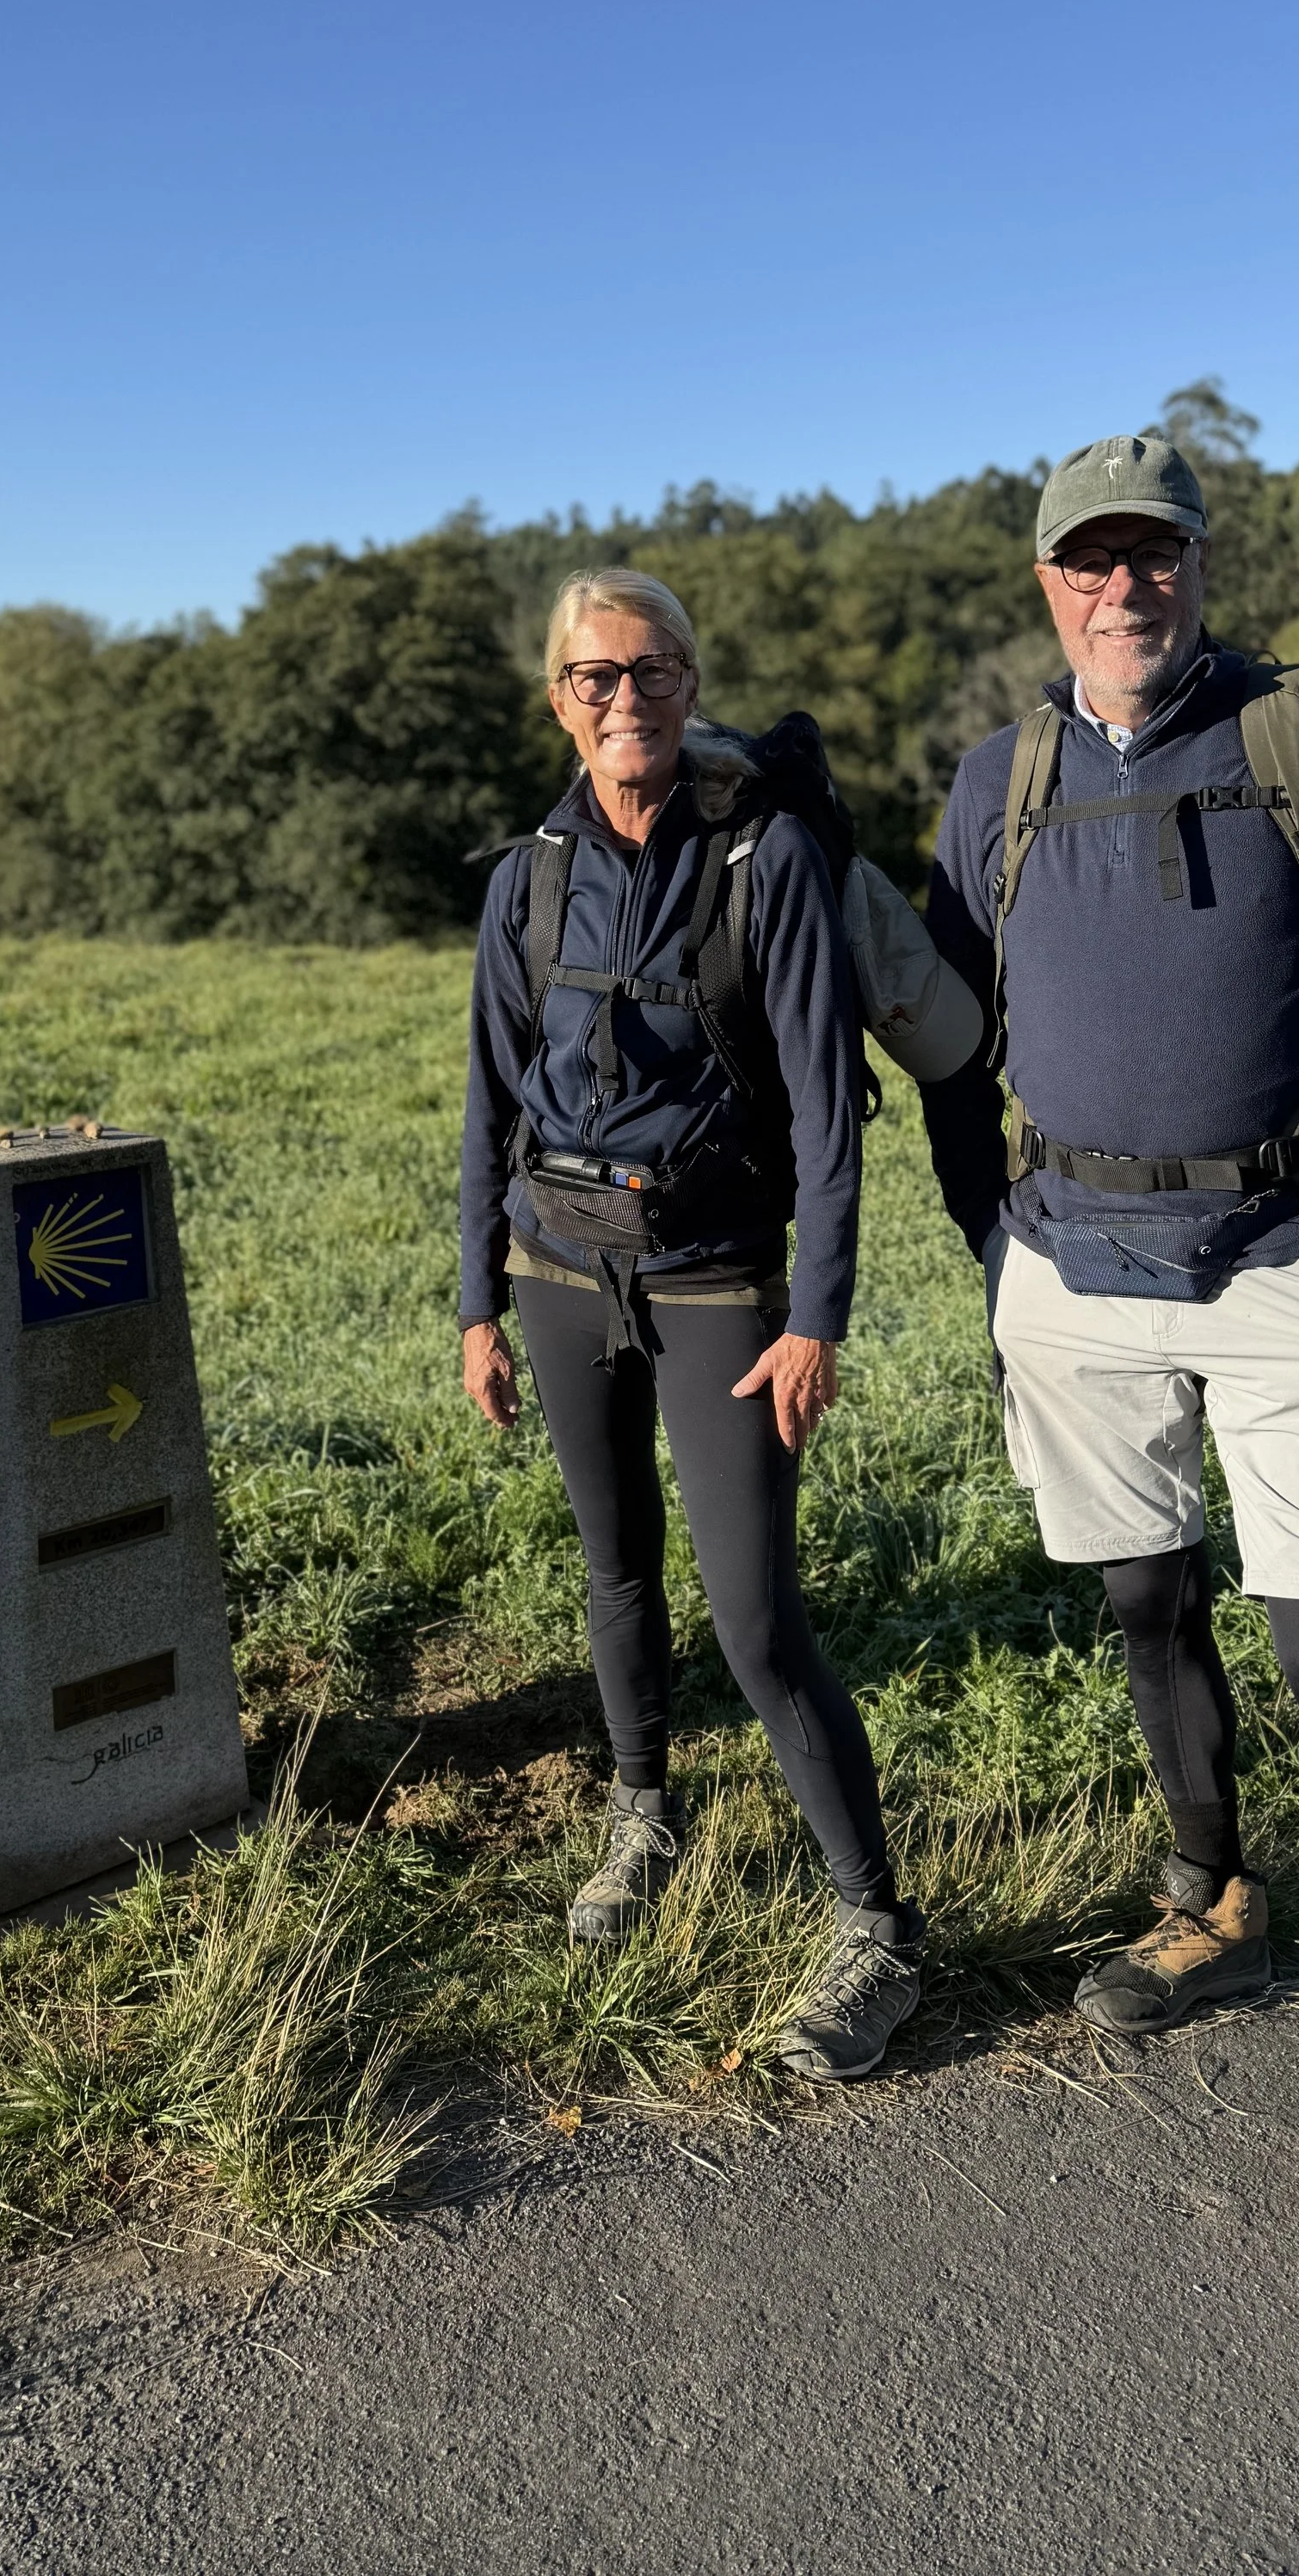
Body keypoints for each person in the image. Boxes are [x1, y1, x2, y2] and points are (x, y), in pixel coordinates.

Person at [920, 434, 1299, 2280]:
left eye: (1151, 556)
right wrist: (986, 1233)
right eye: (1089, 562)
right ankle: (1204, 1897)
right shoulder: (995, 780)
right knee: (1142, 1602)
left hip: (1287, 1259)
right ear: (1046, 585)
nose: (1122, 589)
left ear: (1195, 568)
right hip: (1067, 1264)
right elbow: (936, 1032)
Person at [459, 566, 924, 2081]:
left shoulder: (764, 859)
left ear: (689, 679)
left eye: (652, 671)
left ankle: (878, 1931)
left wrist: (817, 1314)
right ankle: (640, 1811)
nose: (625, 700)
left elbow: (824, 1105)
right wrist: (478, 1298)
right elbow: (487, 1098)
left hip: (721, 1276)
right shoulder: (525, 876)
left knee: (754, 1616)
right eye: (594, 677)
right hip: (555, 1273)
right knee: (611, 1574)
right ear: (560, 699)